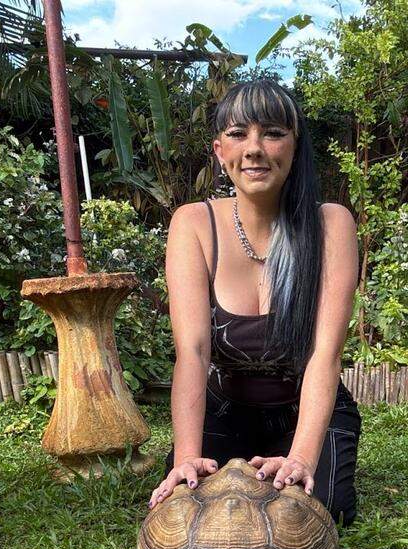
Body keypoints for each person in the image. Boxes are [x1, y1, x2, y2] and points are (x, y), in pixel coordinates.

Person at [148, 79, 362, 525]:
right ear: (219, 151)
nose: (254, 148)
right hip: (224, 412)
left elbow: (325, 354)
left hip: (304, 413)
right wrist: (186, 456)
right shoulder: (193, 224)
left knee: (319, 510)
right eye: (238, 133)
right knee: (191, 509)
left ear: (295, 146)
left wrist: (301, 458)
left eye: (273, 133)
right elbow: (192, 352)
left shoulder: (331, 225)